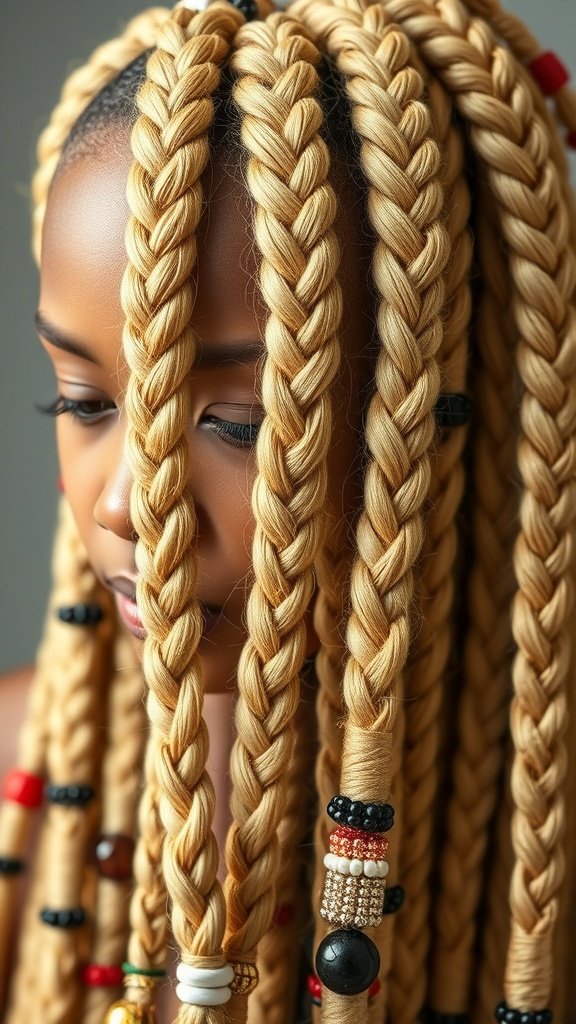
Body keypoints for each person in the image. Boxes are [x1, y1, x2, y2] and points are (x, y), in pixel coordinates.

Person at [0, 0, 575, 1022]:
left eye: (238, 425)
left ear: (441, 408)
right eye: (83, 401)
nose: (130, 503)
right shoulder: (20, 770)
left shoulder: (546, 841)